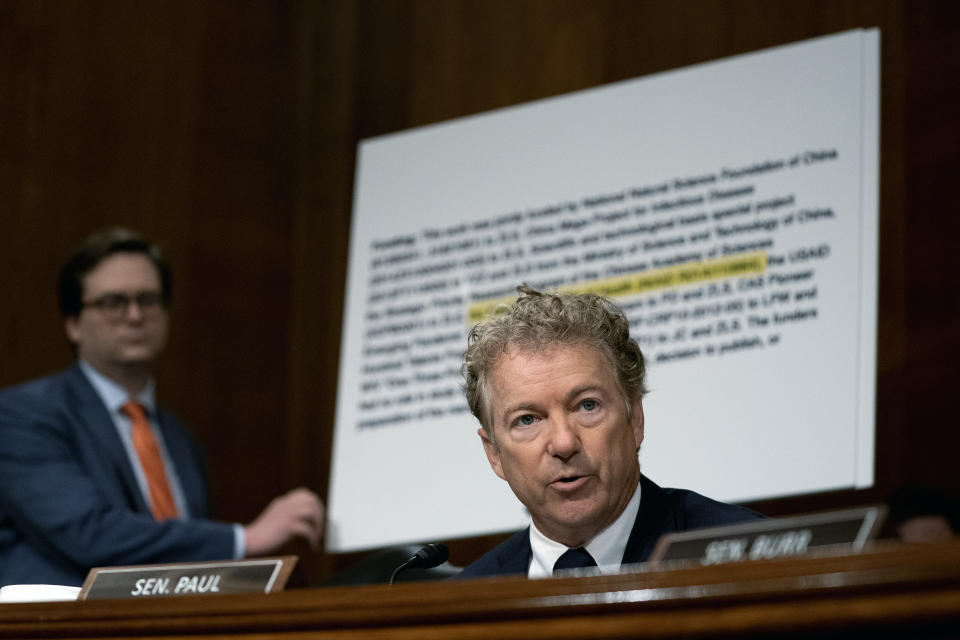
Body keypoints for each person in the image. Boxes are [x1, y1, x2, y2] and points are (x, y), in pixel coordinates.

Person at [0, 228, 324, 587]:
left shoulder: (181, 439)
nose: (135, 315)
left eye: (149, 300)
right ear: (74, 324)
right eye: (113, 302)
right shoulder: (20, 415)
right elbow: (89, 533)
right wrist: (245, 539)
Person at [456, 285, 761, 579]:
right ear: (494, 454)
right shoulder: (459, 609)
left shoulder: (751, 557)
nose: (564, 443)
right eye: (527, 420)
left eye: (587, 405)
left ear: (635, 419)